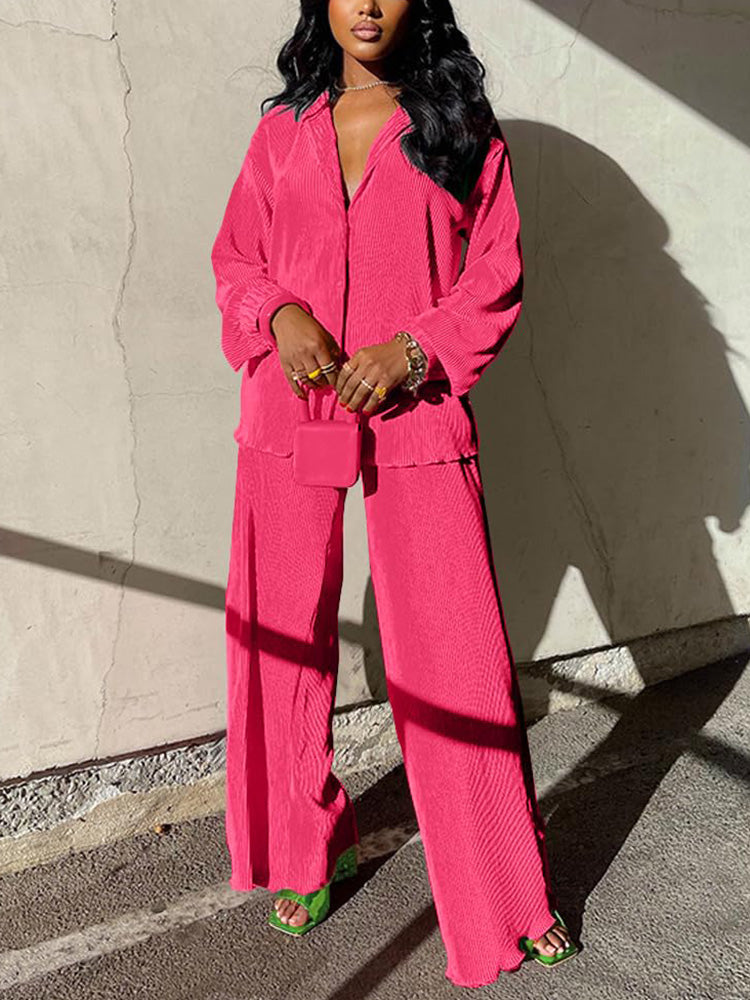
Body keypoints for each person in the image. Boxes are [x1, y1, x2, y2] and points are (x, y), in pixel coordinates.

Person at [210, 0, 580, 988]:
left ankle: (507, 893)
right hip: (288, 409)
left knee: (457, 656)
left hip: (414, 412)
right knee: (281, 640)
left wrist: (416, 350)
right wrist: (277, 313)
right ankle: (302, 849)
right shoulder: (281, 134)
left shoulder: (458, 127)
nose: (367, 3)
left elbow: (495, 272)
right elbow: (236, 260)